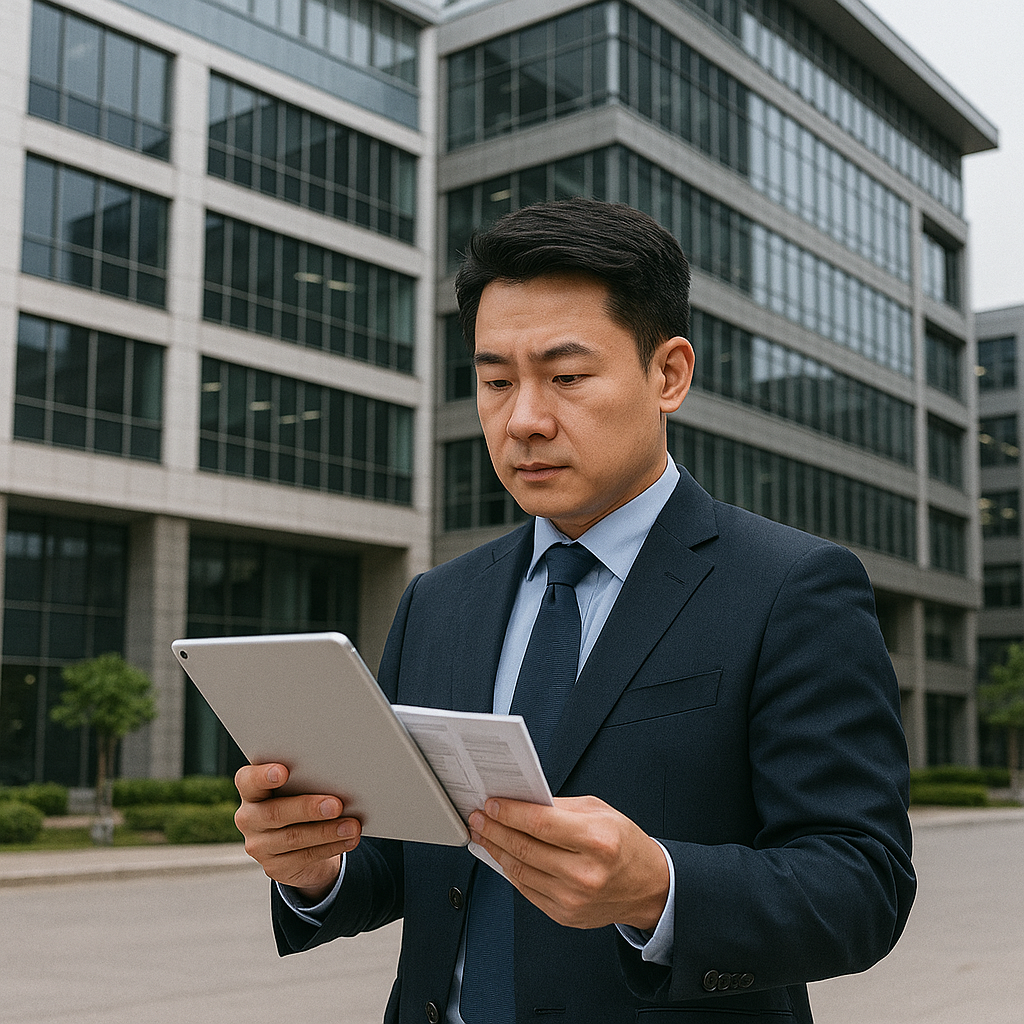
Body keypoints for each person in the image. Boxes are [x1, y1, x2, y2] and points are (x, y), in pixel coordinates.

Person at [234, 198, 916, 1023]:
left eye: (565, 377)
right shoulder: (439, 601)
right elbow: (417, 861)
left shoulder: (791, 587)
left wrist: (657, 887)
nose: (523, 419)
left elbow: (861, 884)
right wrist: (316, 867)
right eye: (494, 382)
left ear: (668, 374)